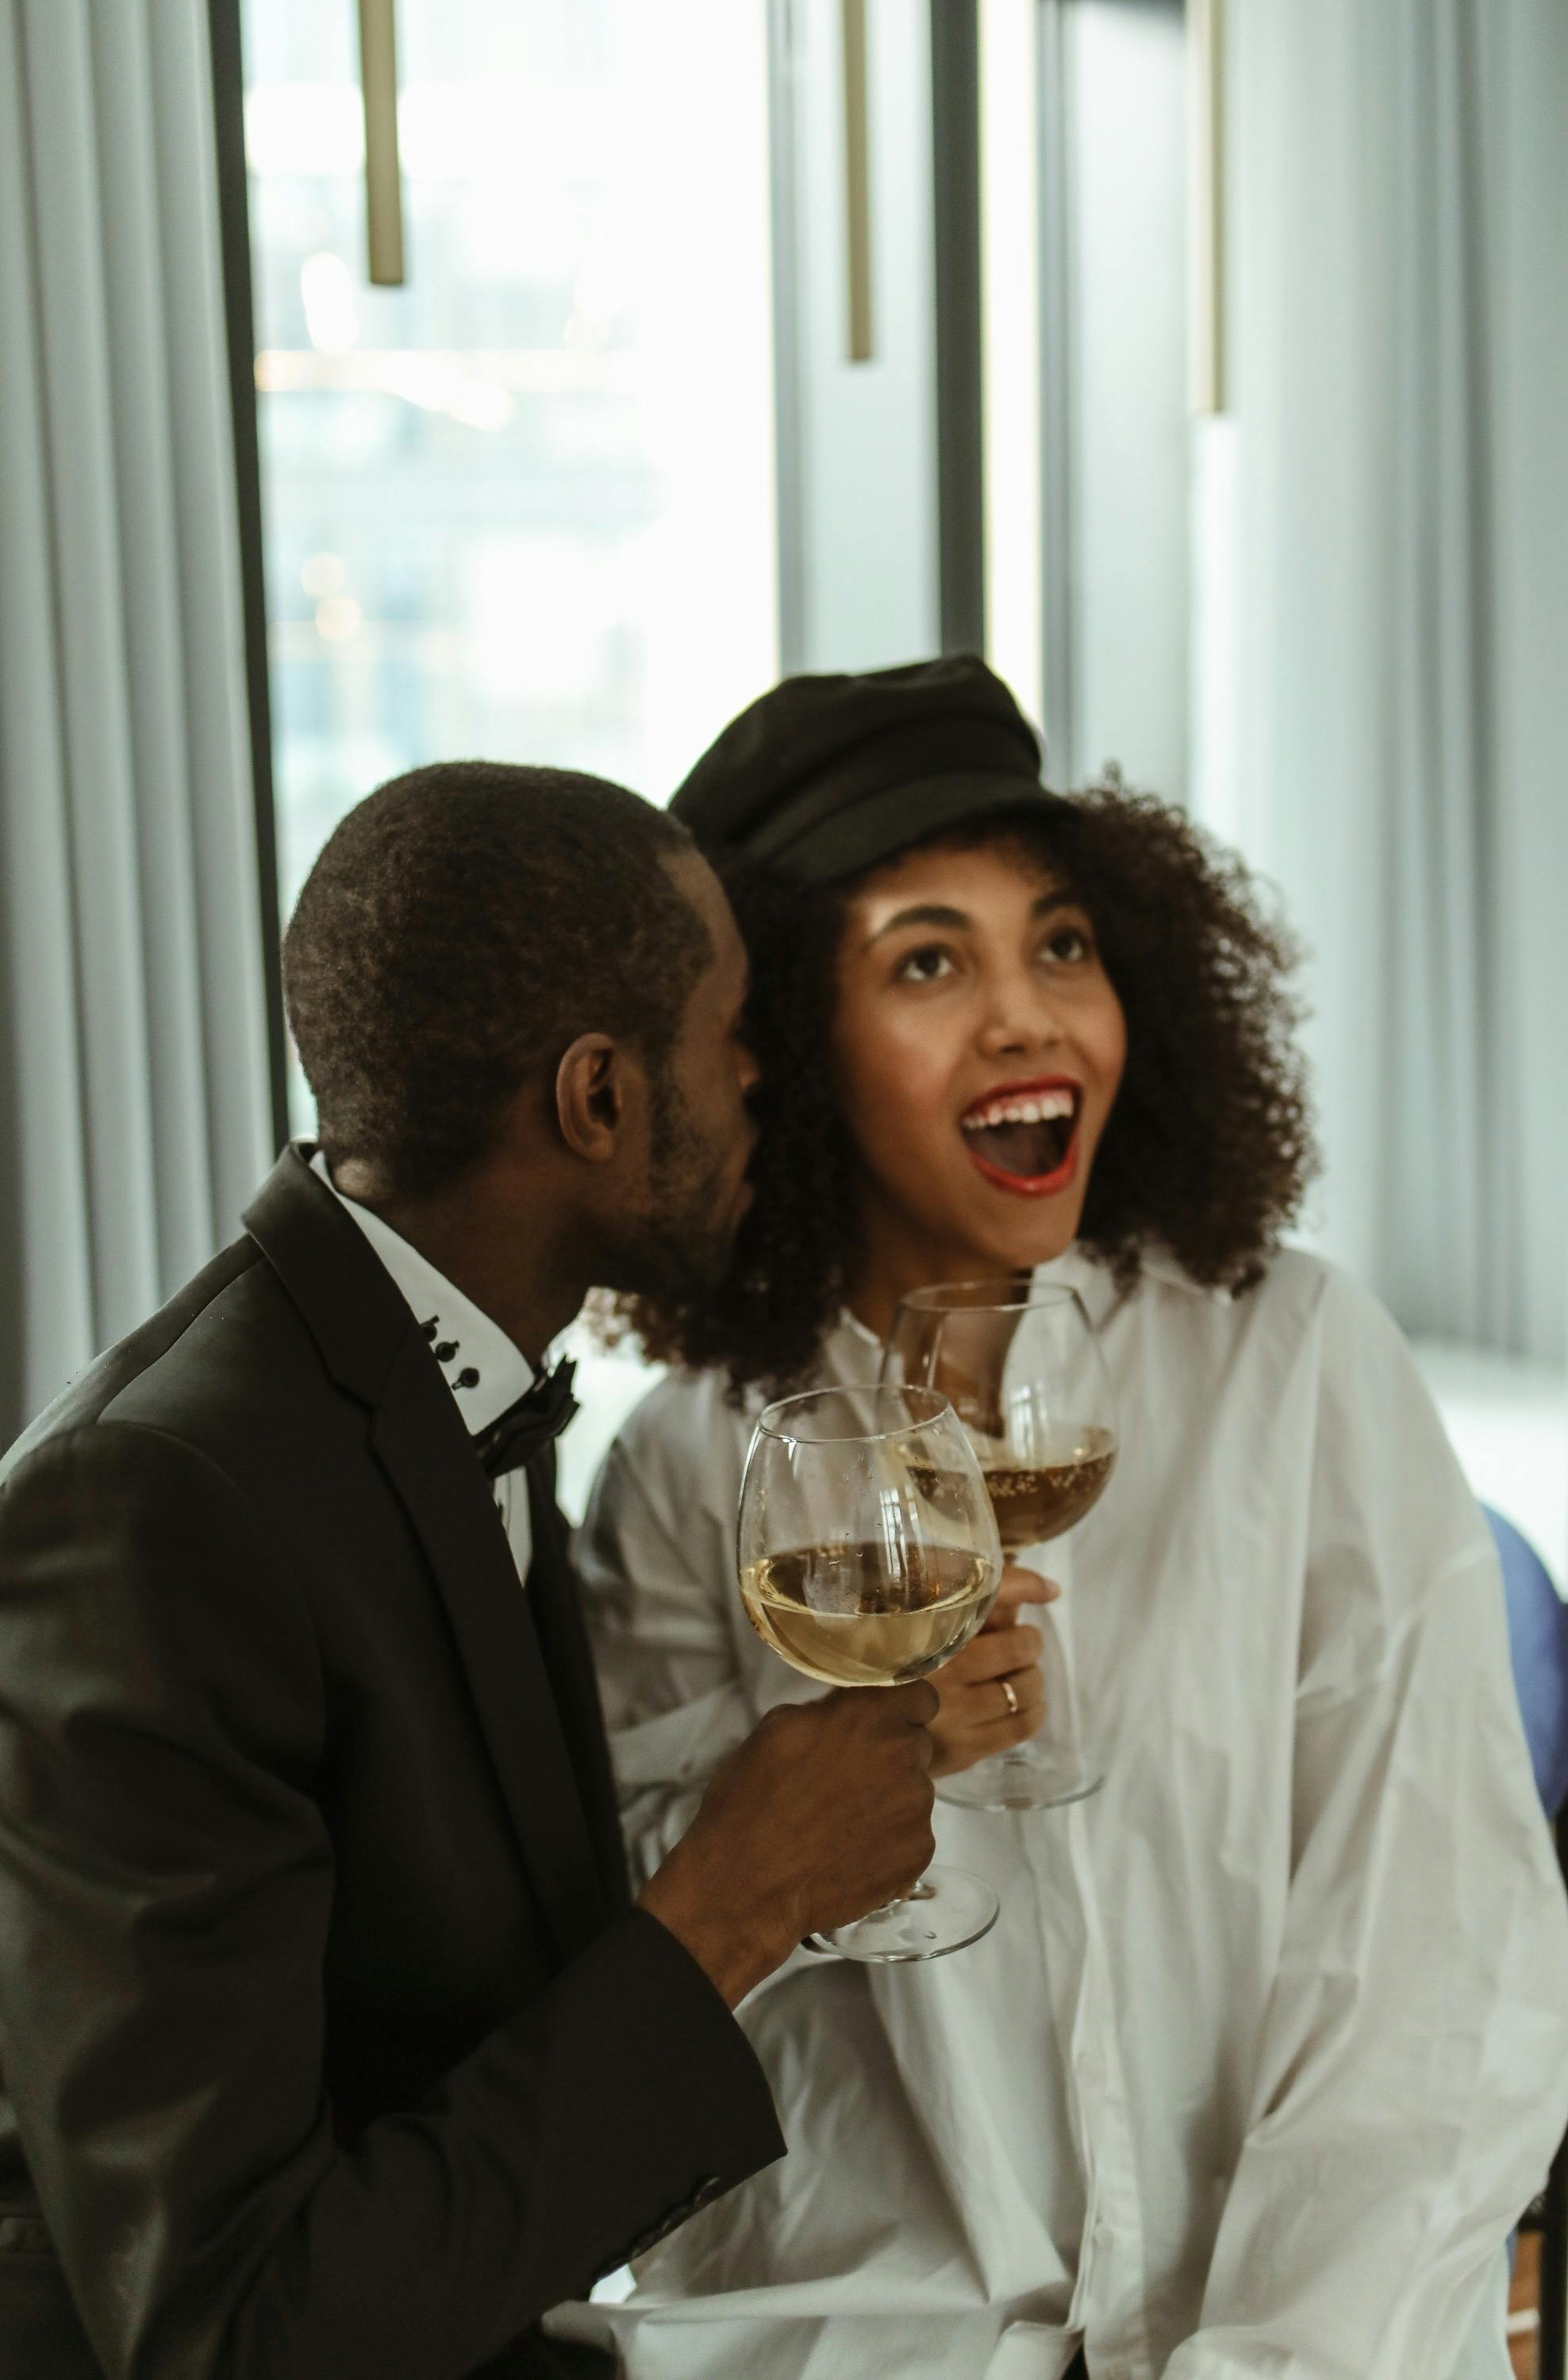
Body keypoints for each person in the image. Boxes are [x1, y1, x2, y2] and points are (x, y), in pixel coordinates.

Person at [563, 661, 1568, 2380]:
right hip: (861, 2346)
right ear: (788, 1040)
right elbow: (670, 2044)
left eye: (1063, 945)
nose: (1027, 1019)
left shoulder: (1297, 1367)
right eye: (930, 961)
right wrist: (812, 1797)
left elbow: (1439, 1990)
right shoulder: (687, 1467)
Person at [0, 762, 944, 2380]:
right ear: (597, 1100)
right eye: (723, 1032)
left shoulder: (449, 1372)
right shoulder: (148, 1512)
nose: (756, 1075)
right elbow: (243, 2331)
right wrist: (735, 1899)